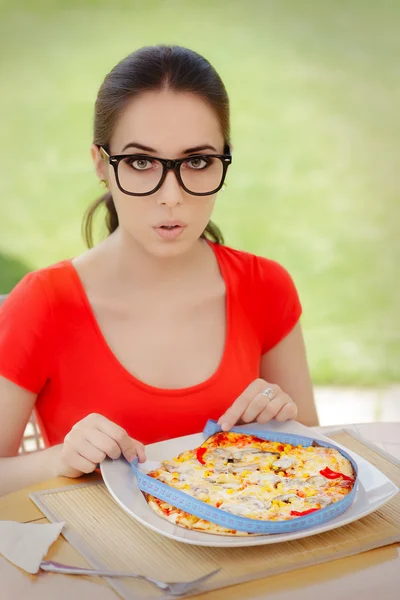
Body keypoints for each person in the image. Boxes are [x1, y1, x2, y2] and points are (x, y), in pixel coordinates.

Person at [0, 45, 318, 497]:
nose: (171, 196)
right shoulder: (43, 302)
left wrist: (284, 423)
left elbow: (316, 452)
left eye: (197, 161)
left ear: (224, 158)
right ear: (101, 165)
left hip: (247, 558)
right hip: (100, 564)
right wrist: (60, 458)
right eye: (141, 162)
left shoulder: (265, 287)